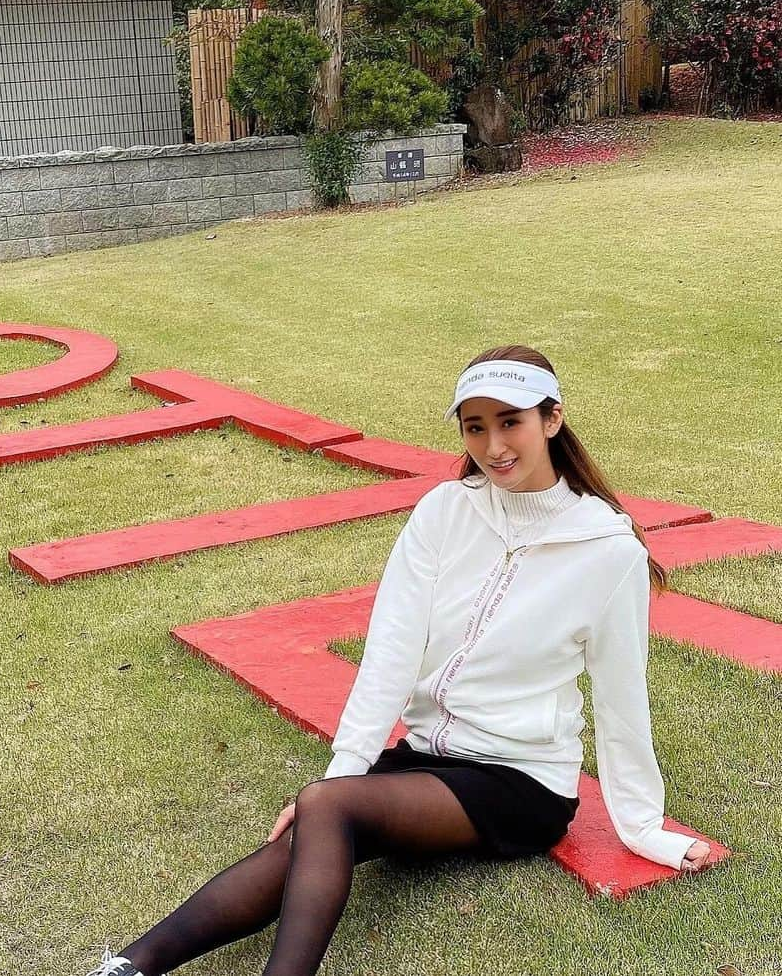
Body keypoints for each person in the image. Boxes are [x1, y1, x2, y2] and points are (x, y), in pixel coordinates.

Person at [85, 345, 712, 976]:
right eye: (475, 426)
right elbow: (390, 650)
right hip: (427, 760)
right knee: (314, 824)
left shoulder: (609, 552)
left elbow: (621, 699)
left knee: (326, 806)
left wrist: (644, 829)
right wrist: (348, 769)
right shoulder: (445, 512)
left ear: (552, 420)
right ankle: (128, 967)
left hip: (521, 782)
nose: (494, 446)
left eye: (510, 421)